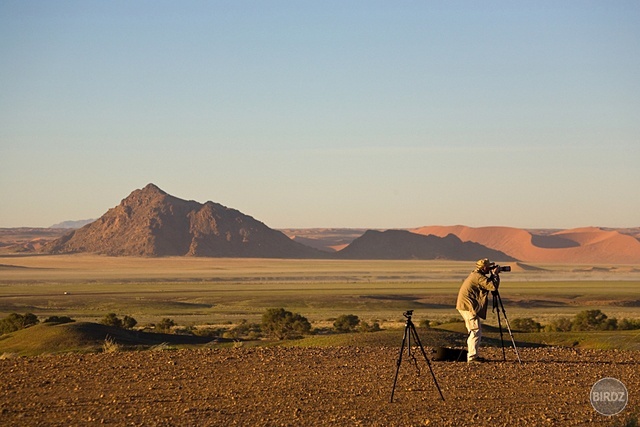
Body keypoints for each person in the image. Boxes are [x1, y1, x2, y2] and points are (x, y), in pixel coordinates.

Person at [456, 258, 500, 363]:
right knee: (475, 331)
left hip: (465, 306)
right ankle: (472, 357)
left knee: (473, 330)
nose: (490, 268)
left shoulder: (476, 275)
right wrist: (495, 275)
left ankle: (472, 355)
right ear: (483, 267)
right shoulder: (478, 277)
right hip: (468, 307)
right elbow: (493, 286)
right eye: (488, 267)